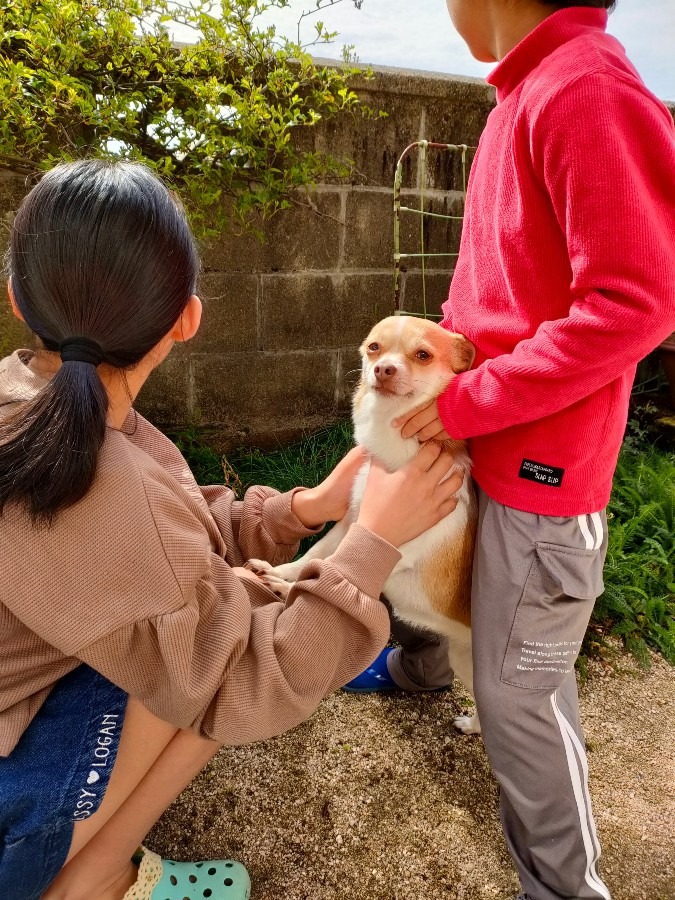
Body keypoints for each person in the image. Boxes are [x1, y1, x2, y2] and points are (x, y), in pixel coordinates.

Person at [0, 159, 464, 900]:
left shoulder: (25, 402)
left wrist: (302, 509)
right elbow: (248, 683)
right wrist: (367, 544)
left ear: (19, 299)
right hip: (9, 830)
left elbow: (159, 537)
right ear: (188, 317)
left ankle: (90, 869)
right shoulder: (104, 477)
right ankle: (88, 883)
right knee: (227, 640)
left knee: (221, 608)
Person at [346, 2, 675, 899]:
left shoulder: (587, 89)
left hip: (540, 469)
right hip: (484, 440)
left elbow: (636, 300)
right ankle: (417, 671)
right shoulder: (522, 94)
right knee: (432, 572)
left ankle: (567, 891)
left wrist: (472, 400)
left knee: (519, 698)